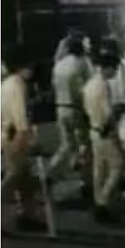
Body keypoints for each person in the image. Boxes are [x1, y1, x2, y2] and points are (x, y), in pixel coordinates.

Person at [1, 46, 45, 231]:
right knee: (13, 180)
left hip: (7, 136)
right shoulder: (18, 85)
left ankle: (27, 216)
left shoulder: (5, 84)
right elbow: (21, 121)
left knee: (25, 183)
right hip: (16, 139)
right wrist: (26, 142)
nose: (32, 69)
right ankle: (25, 215)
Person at [47, 36, 93, 198]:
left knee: (66, 145)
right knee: (86, 145)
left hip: (60, 107)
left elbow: (53, 85)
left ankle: (51, 173)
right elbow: (87, 87)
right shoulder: (82, 62)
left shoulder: (59, 65)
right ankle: (87, 182)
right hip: (76, 108)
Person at [82, 51, 125, 223]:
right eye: (114, 68)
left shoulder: (89, 84)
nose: (115, 72)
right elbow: (108, 112)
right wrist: (117, 116)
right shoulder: (103, 85)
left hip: (93, 128)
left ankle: (98, 199)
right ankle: (103, 201)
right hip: (104, 131)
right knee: (117, 166)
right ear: (107, 68)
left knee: (99, 168)